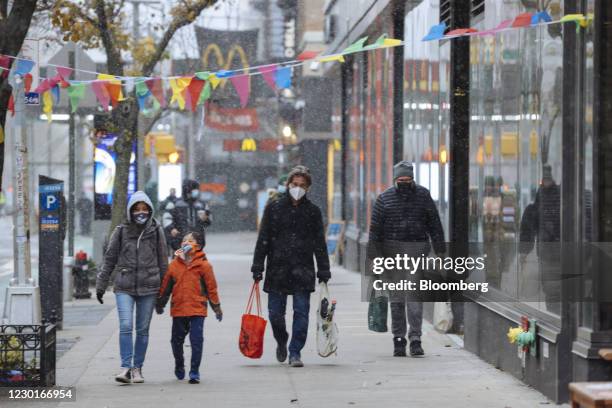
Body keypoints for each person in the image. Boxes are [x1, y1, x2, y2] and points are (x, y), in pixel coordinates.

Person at [251, 165, 331, 367]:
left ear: (308, 188)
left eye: (302, 185)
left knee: (301, 313)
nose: (298, 188)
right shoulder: (274, 208)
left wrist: (324, 269)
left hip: (302, 269)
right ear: (288, 185)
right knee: (275, 315)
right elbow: (264, 239)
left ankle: (295, 352)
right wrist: (257, 266)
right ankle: (281, 340)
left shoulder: (313, 212)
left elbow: (319, 243)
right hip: (278, 269)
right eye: (295, 184)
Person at [368, 161, 445, 357]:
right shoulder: (384, 199)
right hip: (391, 253)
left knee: (413, 296)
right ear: (395, 179)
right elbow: (375, 233)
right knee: (397, 299)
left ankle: (415, 338)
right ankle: (399, 339)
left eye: (407, 179)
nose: (404, 182)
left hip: (416, 251)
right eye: (401, 179)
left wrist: (441, 252)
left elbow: (434, 225)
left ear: (413, 179)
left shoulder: (423, 195)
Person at [96, 191, 168, 384]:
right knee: (126, 326)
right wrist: (101, 285)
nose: (141, 212)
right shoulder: (121, 231)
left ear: (150, 210)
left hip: (149, 287)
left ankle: (138, 368)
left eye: (144, 209)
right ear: (130, 211)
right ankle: (125, 367)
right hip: (124, 285)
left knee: (143, 330)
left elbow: (163, 262)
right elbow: (109, 259)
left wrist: (164, 293)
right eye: (137, 209)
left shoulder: (156, 231)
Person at [157, 231, 222, 384]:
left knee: (196, 340)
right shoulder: (174, 265)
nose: (186, 242)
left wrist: (217, 308)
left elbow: (211, 288)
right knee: (176, 341)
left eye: (190, 240)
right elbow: (166, 287)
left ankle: (194, 371)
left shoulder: (204, 266)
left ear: (198, 246)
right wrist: (160, 304)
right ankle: (179, 364)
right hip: (179, 310)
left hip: (197, 309)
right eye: (184, 240)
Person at [163, 179, 211, 251]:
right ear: (187, 191)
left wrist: (206, 219)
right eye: (194, 190)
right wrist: (172, 229)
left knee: (198, 261)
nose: (196, 192)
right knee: (179, 260)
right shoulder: (175, 203)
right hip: (179, 242)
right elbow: (166, 218)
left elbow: (208, 221)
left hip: (197, 242)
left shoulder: (202, 205)